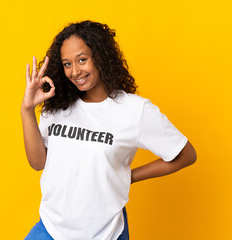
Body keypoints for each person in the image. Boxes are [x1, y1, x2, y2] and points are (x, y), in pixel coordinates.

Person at [21, 20, 197, 240]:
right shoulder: (58, 104)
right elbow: (38, 163)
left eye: (82, 60)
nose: (75, 71)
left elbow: (186, 154)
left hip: (106, 232)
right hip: (51, 228)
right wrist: (27, 110)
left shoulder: (134, 110)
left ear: (100, 57)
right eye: (67, 64)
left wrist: (129, 176)